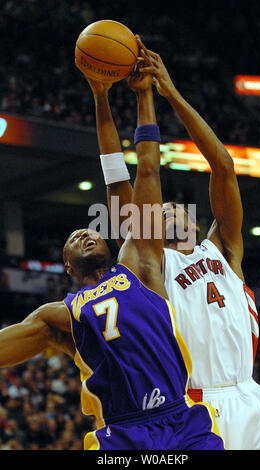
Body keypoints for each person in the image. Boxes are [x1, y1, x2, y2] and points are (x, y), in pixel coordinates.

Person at [0, 70, 224, 451]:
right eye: (73, 239)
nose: (84, 234)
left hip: (183, 420)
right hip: (122, 435)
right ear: (68, 268)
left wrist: (135, 96)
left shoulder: (141, 264)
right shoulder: (58, 316)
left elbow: (140, 169)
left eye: (87, 231)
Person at [97, 36, 260, 450]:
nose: (166, 209)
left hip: (255, 398)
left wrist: (170, 91)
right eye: (159, 210)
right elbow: (119, 178)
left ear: (195, 221)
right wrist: (104, 99)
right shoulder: (151, 266)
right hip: (198, 407)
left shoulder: (225, 250)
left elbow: (223, 165)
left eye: (173, 206)